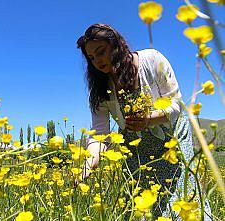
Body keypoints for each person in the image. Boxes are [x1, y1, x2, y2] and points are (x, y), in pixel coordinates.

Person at [76, 23, 212, 220]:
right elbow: (99, 135)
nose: (97, 60)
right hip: (136, 148)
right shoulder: (99, 90)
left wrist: (148, 119)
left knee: (181, 203)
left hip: (171, 140)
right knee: (141, 207)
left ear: (115, 45)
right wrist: (89, 164)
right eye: (92, 57)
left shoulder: (152, 60)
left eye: (101, 51)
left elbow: (176, 104)